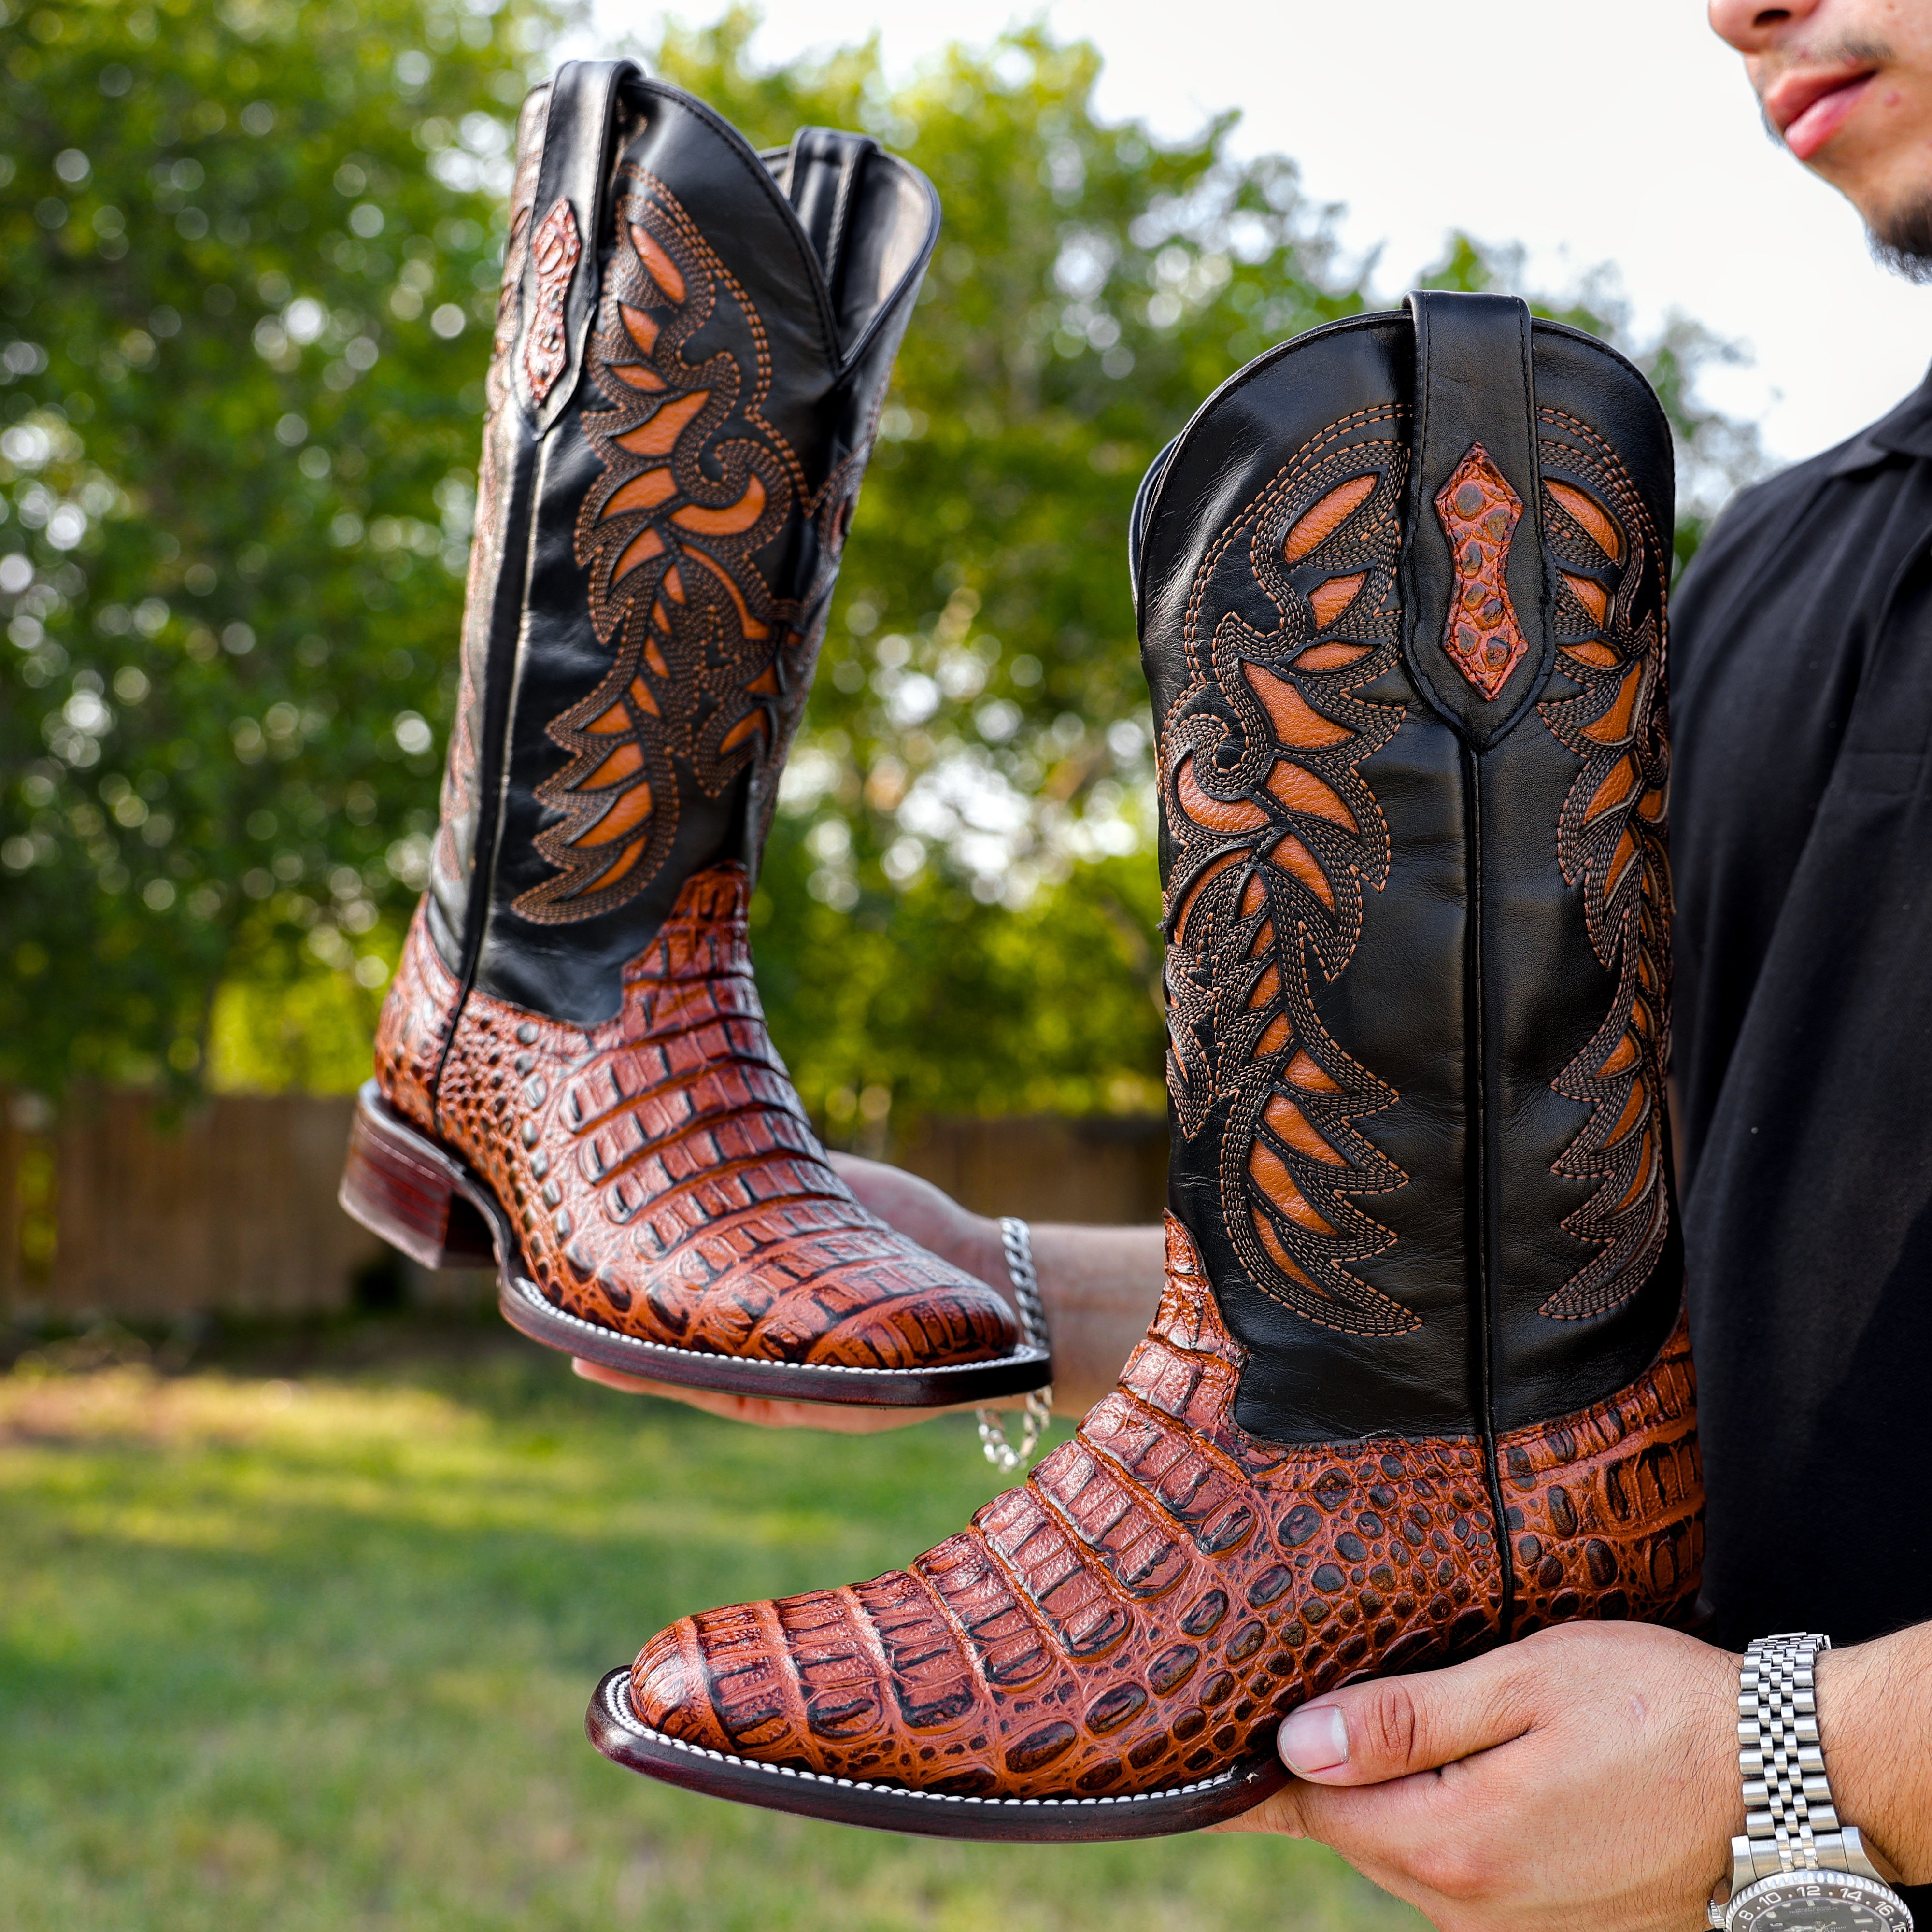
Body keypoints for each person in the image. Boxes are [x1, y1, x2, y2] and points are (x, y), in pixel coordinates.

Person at [577, 0, 1932, 1922]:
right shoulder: (1793, 563)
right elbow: (1647, 1260)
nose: (1735, 7)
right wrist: (1007, 1287)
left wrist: (1794, 1757)